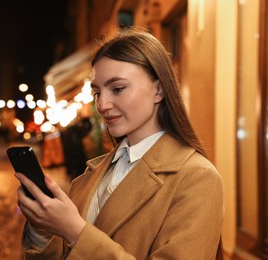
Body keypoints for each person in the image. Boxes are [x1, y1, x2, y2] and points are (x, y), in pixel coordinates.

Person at [14, 28, 223, 259]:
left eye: (118, 89)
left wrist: (75, 231)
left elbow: (79, 239)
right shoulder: (92, 173)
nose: (102, 105)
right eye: (97, 93)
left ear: (159, 89)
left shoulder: (197, 177)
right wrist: (43, 227)